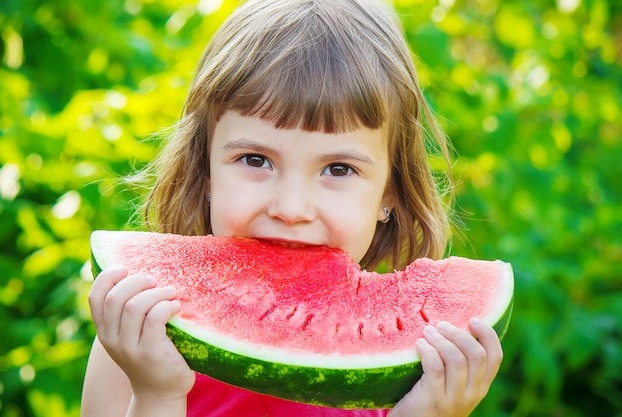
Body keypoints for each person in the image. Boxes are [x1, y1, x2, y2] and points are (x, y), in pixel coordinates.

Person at [81, 0, 504, 416]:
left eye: (338, 168)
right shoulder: (137, 334)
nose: (291, 208)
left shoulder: (410, 366)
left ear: (389, 193)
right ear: (205, 171)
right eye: (255, 160)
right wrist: (156, 395)